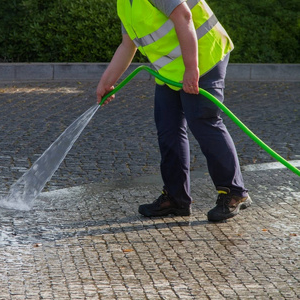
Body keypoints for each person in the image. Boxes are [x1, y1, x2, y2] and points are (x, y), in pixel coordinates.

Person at [96, 0, 252, 222]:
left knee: (203, 121)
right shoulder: (124, 4)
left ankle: (234, 192)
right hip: (170, 70)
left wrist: (191, 68)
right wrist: (106, 82)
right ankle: (176, 198)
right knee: (168, 127)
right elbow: (127, 45)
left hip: (203, 56)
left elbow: (184, 17)